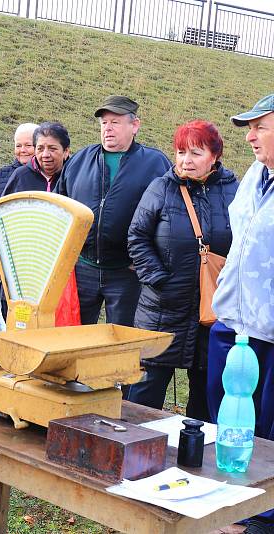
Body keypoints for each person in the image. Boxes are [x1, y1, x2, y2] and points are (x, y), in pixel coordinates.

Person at [125, 120, 237, 421]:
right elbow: (136, 236)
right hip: (161, 309)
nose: (186, 160)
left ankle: (196, 455)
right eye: (180, 152)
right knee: (146, 389)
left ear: (214, 156)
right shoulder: (161, 188)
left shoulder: (233, 191)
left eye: (195, 153)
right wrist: (158, 279)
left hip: (209, 310)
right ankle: (135, 450)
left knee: (204, 391)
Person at [206, 95, 274, 534]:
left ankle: (264, 514)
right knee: (226, 412)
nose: (249, 137)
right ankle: (226, 496)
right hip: (234, 319)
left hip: (271, 328)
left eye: (260, 127)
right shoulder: (256, 174)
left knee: (268, 428)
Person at [55, 96, 170, 326]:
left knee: (121, 342)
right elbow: (60, 209)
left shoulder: (155, 164)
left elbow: (168, 219)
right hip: (82, 269)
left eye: (115, 123)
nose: (108, 129)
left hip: (127, 273)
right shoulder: (79, 161)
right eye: (104, 123)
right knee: (74, 340)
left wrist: (146, 260)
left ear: (134, 125)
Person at [0, 122, 65, 283]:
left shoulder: (68, 176)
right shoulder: (13, 175)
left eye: (28, 145)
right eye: (19, 145)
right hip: (14, 259)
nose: (23, 150)